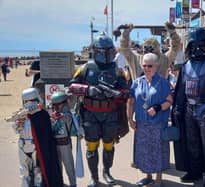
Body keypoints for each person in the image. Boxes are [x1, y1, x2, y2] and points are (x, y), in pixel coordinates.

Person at [68, 32, 129, 187]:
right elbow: (72, 86)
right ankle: (94, 177)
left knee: (109, 145)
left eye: (108, 50)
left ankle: (106, 171)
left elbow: (126, 92)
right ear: (96, 50)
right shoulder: (85, 68)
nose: (106, 54)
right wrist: (89, 90)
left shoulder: (117, 70)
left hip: (111, 115)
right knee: (92, 146)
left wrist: (115, 93)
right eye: (103, 51)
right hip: (90, 114)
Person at [172, 27, 205, 187]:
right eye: (193, 45)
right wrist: (178, 107)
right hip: (189, 109)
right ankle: (195, 171)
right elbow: (180, 89)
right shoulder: (186, 65)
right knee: (191, 144)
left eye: (201, 44)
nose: (197, 48)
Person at [127, 53, 173, 187]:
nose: (147, 68)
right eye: (144, 65)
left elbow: (169, 101)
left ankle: (158, 179)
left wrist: (158, 107)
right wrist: (130, 118)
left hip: (157, 124)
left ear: (156, 66)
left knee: (157, 151)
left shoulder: (163, 82)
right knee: (144, 151)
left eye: (150, 66)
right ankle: (148, 176)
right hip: (141, 124)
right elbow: (130, 101)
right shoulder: (137, 82)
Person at [12, 88, 63, 187]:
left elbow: (15, 129)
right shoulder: (23, 115)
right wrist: (19, 121)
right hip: (30, 145)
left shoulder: (39, 114)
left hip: (29, 145)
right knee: (32, 171)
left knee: (30, 171)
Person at [50, 91, 82, 187]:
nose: (67, 103)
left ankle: (73, 183)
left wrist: (56, 116)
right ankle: (60, 183)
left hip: (65, 144)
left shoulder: (66, 115)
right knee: (58, 166)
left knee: (69, 166)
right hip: (55, 144)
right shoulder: (54, 114)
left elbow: (65, 118)